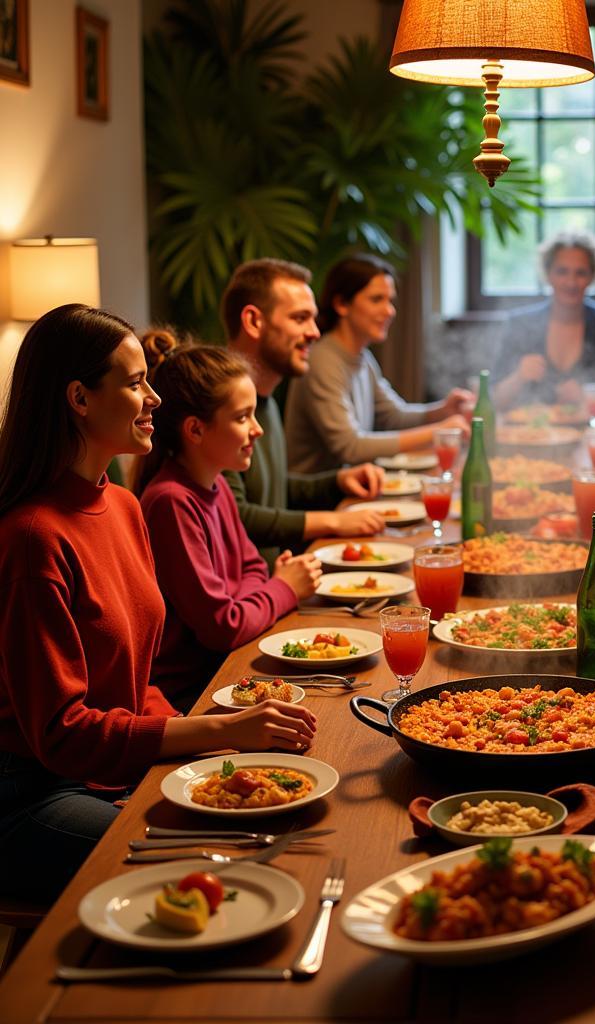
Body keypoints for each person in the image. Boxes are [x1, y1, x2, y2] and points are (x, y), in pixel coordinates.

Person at [0, 305, 317, 901]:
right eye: (134, 382)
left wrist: (215, 740)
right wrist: (210, 732)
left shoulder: (121, 505)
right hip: (34, 792)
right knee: (222, 861)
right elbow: (62, 736)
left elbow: (137, 681)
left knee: (273, 820)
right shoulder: (32, 537)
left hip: (108, 768)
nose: (155, 398)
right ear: (79, 398)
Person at [137, 332, 322, 711]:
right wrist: (283, 589)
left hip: (229, 667)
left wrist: (260, 594)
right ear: (196, 430)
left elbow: (252, 566)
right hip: (193, 693)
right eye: (242, 417)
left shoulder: (216, 482)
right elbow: (222, 626)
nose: (258, 429)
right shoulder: (171, 502)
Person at [221, 258, 386, 565]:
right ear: (254, 321)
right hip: (256, 598)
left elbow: (273, 489)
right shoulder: (218, 407)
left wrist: (337, 481)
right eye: (300, 319)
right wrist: (333, 521)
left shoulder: (265, 399)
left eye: (312, 319)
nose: (313, 332)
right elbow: (236, 514)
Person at [284, 254, 472, 471]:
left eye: (390, 300)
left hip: (354, 491)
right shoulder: (322, 360)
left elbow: (394, 415)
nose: (389, 311)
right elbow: (350, 447)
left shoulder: (362, 357)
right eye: (376, 299)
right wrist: (439, 431)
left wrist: (443, 410)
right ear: (342, 304)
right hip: (320, 500)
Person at [491, 230, 595, 411]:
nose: (571, 282)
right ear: (547, 274)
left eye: (581, 273)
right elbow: (492, 400)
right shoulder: (519, 324)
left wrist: (590, 397)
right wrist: (519, 377)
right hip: (532, 434)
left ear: (593, 276)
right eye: (562, 271)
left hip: (593, 433)